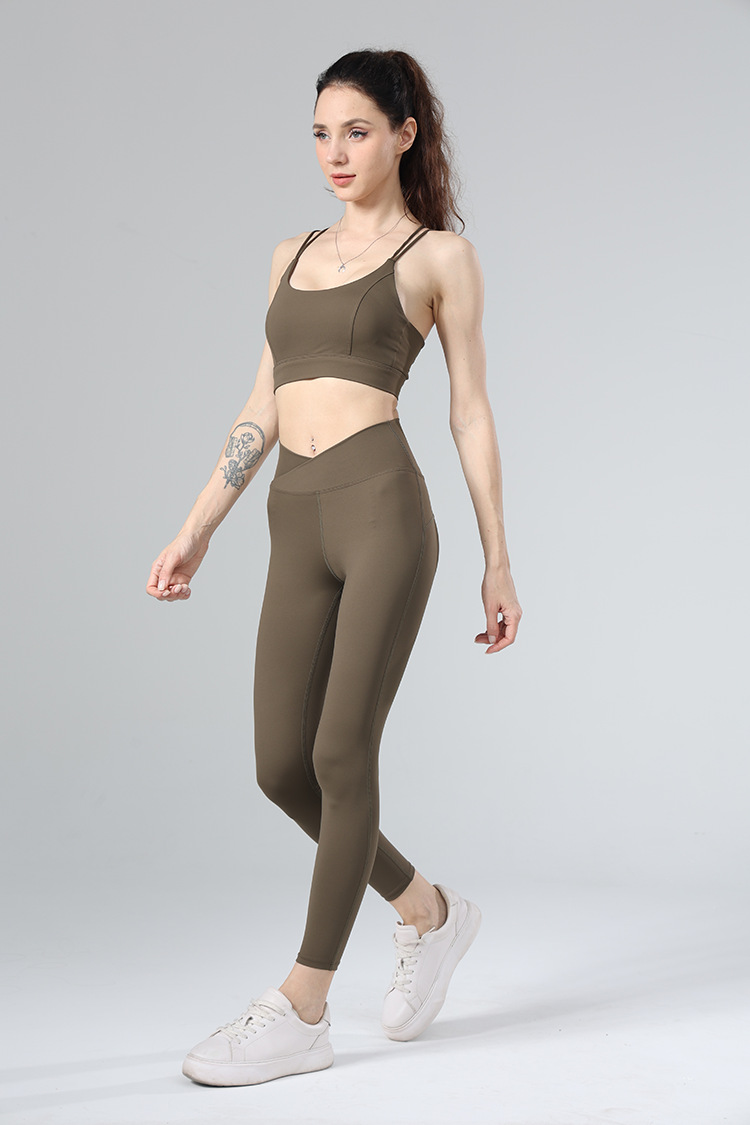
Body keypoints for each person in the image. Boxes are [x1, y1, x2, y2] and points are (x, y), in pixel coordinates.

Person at [146, 47, 522, 1087]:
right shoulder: (292, 253)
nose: (335, 152)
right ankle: (429, 913)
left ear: (405, 134)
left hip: (382, 513)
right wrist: (198, 526)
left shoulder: (438, 257)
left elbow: (471, 411)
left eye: (356, 130)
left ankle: (303, 1007)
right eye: (320, 132)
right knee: (282, 767)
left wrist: (497, 559)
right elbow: (262, 402)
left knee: (342, 755)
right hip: (293, 515)